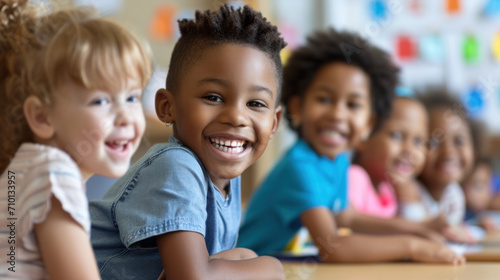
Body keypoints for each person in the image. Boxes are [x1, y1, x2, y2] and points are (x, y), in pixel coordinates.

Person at [90, 5, 286, 280]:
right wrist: (274, 268)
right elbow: (194, 277)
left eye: (255, 103)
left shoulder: (225, 172)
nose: (236, 117)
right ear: (167, 106)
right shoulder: (176, 166)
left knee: (245, 256)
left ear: (274, 123)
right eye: (213, 97)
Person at [238, 29, 464, 264]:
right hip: (249, 269)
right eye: (324, 99)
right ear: (296, 107)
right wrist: (412, 246)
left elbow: (347, 218)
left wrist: (418, 229)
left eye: (353, 105)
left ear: (369, 123)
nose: (338, 114)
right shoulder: (300, 166)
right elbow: (332, 246)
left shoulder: (337, 160)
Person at [0, 1, 151, 279]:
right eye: (100, 100)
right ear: (42, 117)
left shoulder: (27, 168)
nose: (125, 117)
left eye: (132, 97)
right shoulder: (55, 175)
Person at [399, 91, 476, 242]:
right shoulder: (406, 188)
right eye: (433, 143)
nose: (448, 152)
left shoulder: (454, 193)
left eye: (459, 141)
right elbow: (421, 235)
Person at [349, 97, 428, 218]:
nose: (410, 150)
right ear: (363, 138)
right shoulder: (355, 176)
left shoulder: (388, 190)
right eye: (396, 136)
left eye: (418, 141)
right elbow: (350, 222)